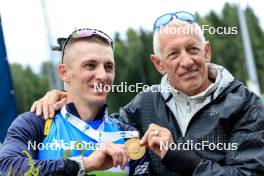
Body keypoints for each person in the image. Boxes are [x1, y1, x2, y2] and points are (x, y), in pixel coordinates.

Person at [30, 11, 264, 175]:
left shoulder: (245, 104)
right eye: (173, 54)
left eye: (192, 49)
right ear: (158, 64)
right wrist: (65, 97)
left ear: (207, 52)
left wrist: (180, 158)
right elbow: (101, 131)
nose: (186, 61)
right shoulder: (142, 106)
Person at [0, 28, 149, 175]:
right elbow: (6, 168)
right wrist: (85, 164)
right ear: (64, 73)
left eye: (109, 67)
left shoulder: (129, 135)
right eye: (90, 65)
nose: (103, 75)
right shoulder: (34, 123)